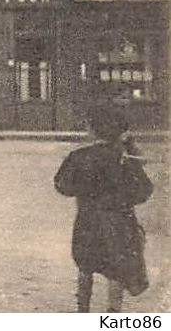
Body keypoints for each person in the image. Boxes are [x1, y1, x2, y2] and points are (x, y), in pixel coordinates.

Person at [55, 103, 154, 313]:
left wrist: (84, 190)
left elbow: (62, 186)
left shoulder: (79, 157)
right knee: (115, 271)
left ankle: (83, 311)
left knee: (85, 266)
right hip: (120, 223)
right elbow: (145, 190)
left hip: (87, 221)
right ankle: (112, 315)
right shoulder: (125, 159)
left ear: (91, 129)